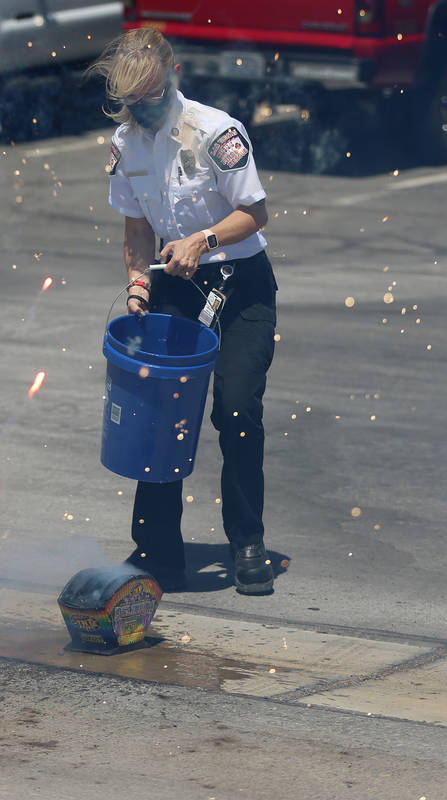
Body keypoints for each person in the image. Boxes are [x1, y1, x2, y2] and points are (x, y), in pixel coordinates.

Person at [87, 29, 279, 595]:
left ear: (173, 75)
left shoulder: (218, 132)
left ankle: (247, 542)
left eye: (149, 99)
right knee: (157, 416)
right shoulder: (125, 144)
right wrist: (137, 284)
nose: (141, 112)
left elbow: (257, 212)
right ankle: (156, 547)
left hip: (238, 285)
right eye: (131, 103)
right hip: (173, 284)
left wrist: (204, 238)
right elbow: (137, 227)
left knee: (236, 411)